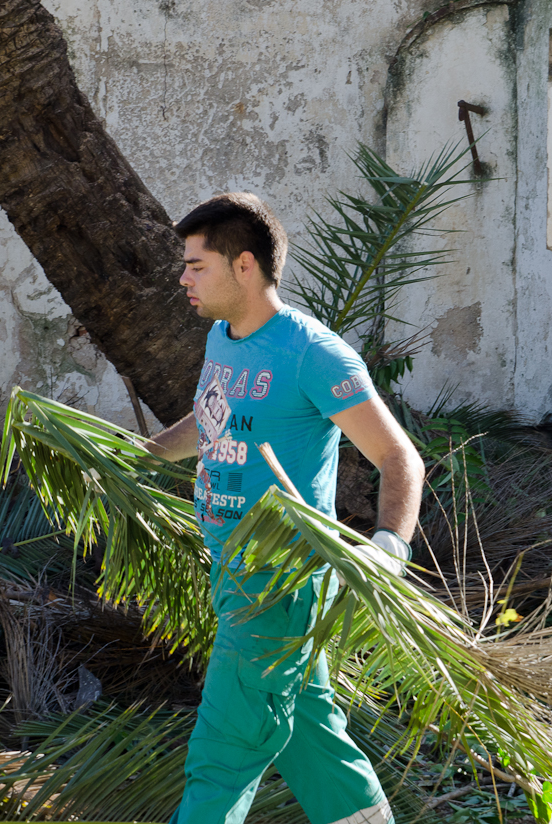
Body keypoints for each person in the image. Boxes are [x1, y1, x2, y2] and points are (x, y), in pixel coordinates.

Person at [147, 192, 424, 824]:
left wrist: (389, 548)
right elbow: (217, 417)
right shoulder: (225, 338)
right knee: (311, 737)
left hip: (278, 584)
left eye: (197, 265)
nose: (183, 278)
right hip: (230, 571)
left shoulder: (311, 353)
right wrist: (149, 453)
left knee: (223, 753)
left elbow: (399, 457)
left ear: (244, 266)